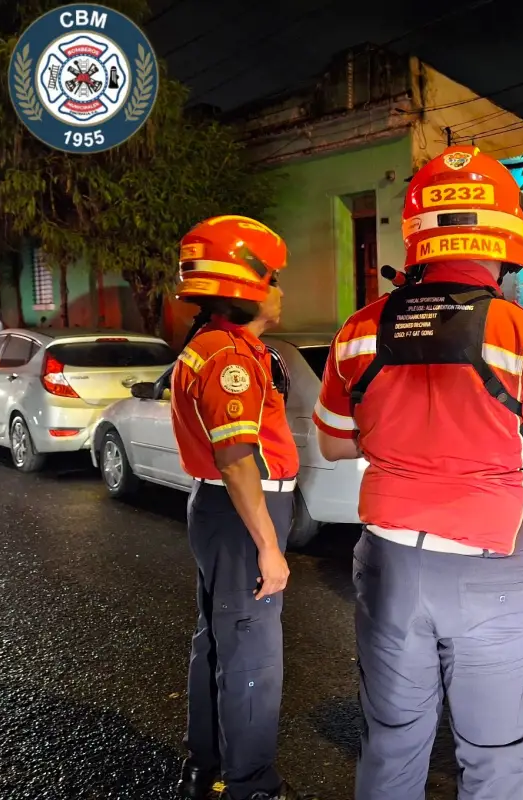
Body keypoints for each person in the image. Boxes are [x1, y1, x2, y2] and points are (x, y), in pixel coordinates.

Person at [313, 145, 523, 800]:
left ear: (416, 235)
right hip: (490, 580)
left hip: (388, 568)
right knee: (495, 759)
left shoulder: (358, 331)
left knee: (391, 741)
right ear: (506, 236)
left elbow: (331, 445)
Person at [169, 215, 317, 800]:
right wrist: (268, 547)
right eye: (274, 278)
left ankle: (208, 769)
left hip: (218, 510)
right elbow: (236, 460)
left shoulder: (217, 348)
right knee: (251, 649)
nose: (281, 289)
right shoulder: (229, 359)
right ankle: (252, 785)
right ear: (246, 284)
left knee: (218, 642)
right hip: (241, 514)